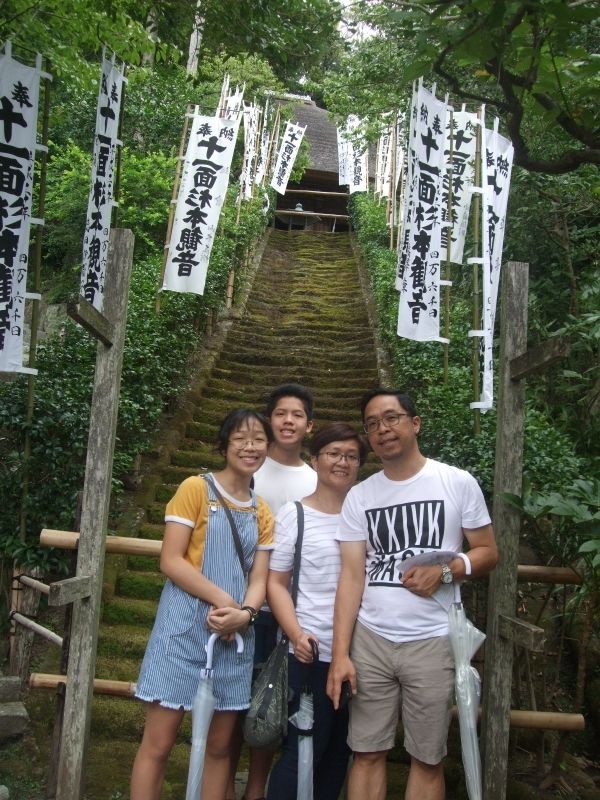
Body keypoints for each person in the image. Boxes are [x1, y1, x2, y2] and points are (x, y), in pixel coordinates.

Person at [326, 388, 498, 800]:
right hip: (371, 638)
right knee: (366, 751)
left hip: (435, 638)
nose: (382, 429)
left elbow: (488, 552)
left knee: (427, 757)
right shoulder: (360, 496)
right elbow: (352, 577)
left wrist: (447, 570)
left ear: (415, 423)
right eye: (372, 424)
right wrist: (340, 654)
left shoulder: (456, 482)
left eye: (392, 418)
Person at [130, 409, 275, 800]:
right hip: (181, 631)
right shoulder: (195, 488)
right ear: (224, 443)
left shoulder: (262, 510)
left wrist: (244, 615)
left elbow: (259, 579)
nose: (250, 446)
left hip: (233, 639)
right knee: (158, 745)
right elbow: (171, 559)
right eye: (240, 438)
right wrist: (225, 601)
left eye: (259, 439)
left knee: (219, 748)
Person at [266, 422, 367, 800]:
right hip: (311, 650)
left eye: (352, 456)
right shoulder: (296, 514)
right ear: (315, 459)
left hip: (362, 652)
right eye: (334, 454)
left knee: (340, 752)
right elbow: (277, 582)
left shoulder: (367, 513)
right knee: (305, 747)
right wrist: (295, 634)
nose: (343, 462)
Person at [229, 383, 317, 800]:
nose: (288, 421)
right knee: (230, 706)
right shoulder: (249, 467)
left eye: (296, 414)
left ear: (308, 424)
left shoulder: (316, 480)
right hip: (239, 603)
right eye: (280, 413)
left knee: (271, 701)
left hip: (286, 611)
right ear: (269, 421)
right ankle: (221, 783)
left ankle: (257, 790)